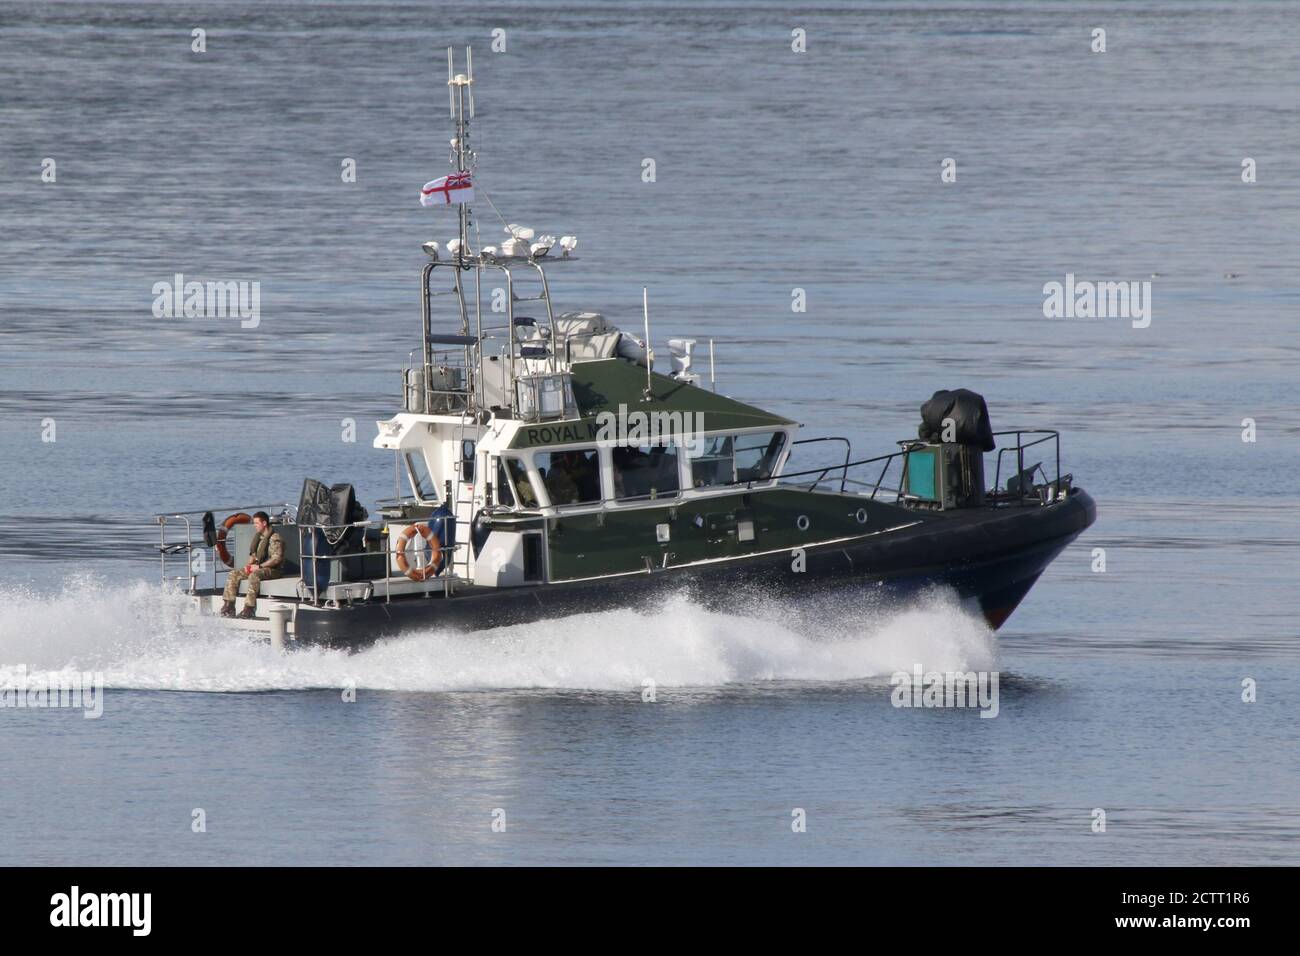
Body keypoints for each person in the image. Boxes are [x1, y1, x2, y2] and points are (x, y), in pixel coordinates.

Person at [221, 511, 285, 619]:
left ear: (264, 523)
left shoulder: (275, 538)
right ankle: (229, 605)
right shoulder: (259, 537)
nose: (254, 525)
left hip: (273, 570)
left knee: (254, 575)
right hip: (258, 567)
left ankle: (249, 608)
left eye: (256, 523)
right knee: (234, 574)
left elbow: (276, 559)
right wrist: (248, 565)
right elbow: (253, 555)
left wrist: (259, 567)